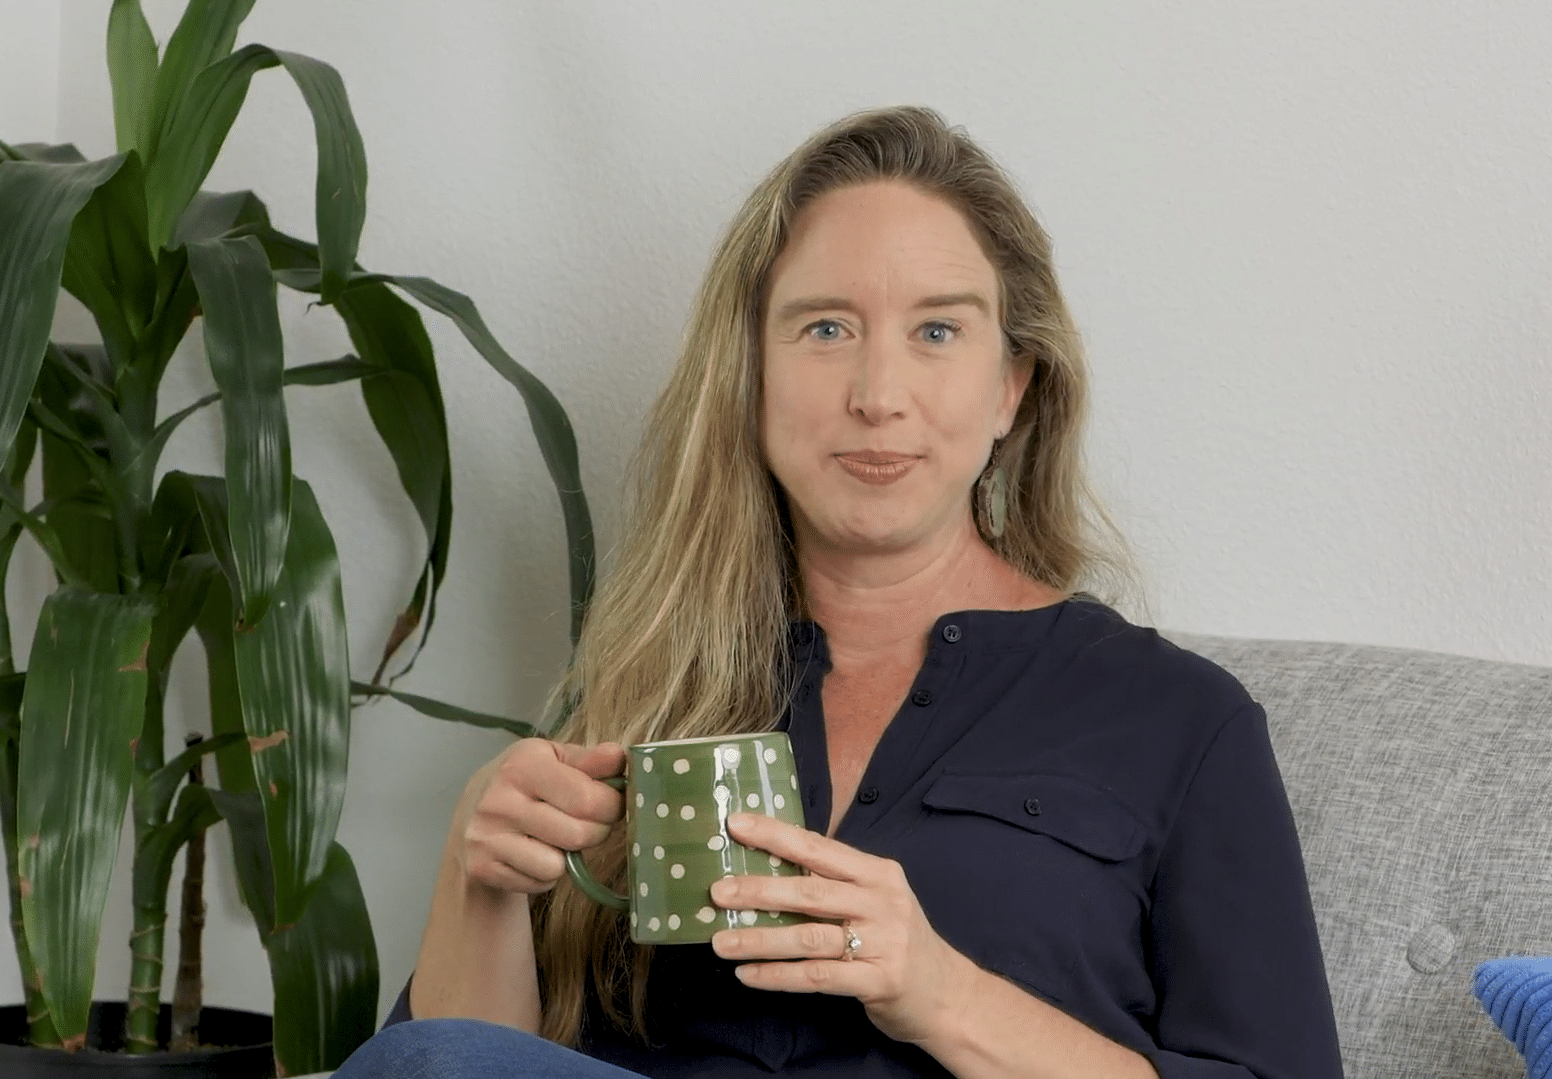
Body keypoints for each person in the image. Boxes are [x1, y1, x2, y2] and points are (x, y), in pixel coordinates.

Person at [334, 105, 1345, 1078]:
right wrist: (482, 874)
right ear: (751, 375)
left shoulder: (1178, 719)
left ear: (1011, 385)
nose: (876, 393)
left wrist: (941, 989)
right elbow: (450, 1064)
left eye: (937, 332)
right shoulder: (641, 691)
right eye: (824, 328)